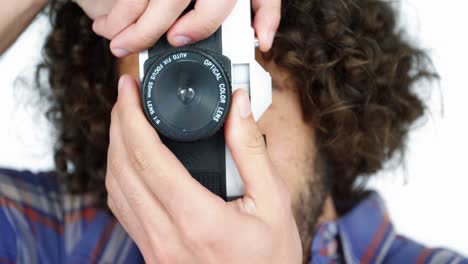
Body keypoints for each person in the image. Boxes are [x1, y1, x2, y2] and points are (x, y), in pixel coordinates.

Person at [0, 0, 466, 263]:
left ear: (328, 104)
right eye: (167, 94)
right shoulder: (62, 239)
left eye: (234, 86)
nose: (208, 127)